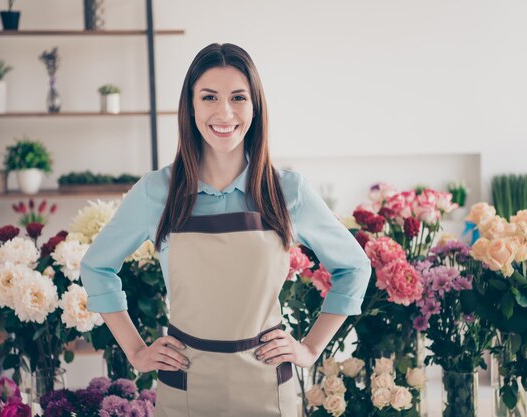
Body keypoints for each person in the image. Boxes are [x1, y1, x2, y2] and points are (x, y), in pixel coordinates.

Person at [80, 43, 371, 417]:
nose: (224, 112)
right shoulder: (156, 193)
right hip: (185, 387)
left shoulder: (287, 191)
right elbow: (96, 267)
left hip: (268, 389)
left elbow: (354, 268)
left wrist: (310, 348)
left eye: (238, 97)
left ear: (255, 106)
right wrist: (136, 351)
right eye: (209, 97)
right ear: (191, 106)